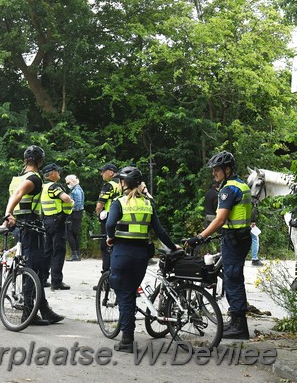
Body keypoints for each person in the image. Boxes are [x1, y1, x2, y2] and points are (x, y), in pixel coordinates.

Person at [106, 166, 177, 353]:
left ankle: (127, 340)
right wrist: (172, 246)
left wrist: (110, 237)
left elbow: (110, 224)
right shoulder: (148, 204)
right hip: (141, 257)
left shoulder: (119, 202)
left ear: (123, 183)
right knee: (130, 292)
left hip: (122, 254)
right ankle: (127, 335)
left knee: (125, 295)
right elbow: (160, 231)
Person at [187, 151, 252, 340]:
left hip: (233, 239)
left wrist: (200, 237)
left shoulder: (228, 190)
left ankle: (239, 327)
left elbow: (220, 219)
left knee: (233, 279)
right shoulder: (241, 185)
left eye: (217, 170)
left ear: (227, 169)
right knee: (233, 277)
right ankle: (235, 321)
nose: (214, 173)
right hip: (242, 237)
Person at [3, 145, 64, 326]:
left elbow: (16, 192)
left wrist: (11, 216)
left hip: (20, 224)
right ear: (40, 161)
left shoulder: (18, 177)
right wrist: (8, 213)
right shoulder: (34, 178)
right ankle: (29, 313)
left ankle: (43, 308)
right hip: (30, 225)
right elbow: (19, 194)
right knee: (32, 267)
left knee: (34, 267)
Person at [40, 163, 73, 290]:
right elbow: (65, 198)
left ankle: (43, 279)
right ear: (52, 173)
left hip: (47, 221)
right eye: (57, 171)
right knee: (59, 251)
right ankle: (56, 281)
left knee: (47, 251)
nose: (59, 173)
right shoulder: (54, 186)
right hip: (57, 221)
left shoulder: (43, 186)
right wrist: (70, 201)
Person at [96, 163, 120, 273]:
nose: (102, 174)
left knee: (106, 246)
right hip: (123, 218)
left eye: (103, 171)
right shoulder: (123, 183)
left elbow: (100, 205)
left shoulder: (109, 185)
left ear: (111, 172)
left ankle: (106, 277)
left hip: (109, 217)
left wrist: (99, 216)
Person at [65, 174, 85, 262]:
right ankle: (77, 254)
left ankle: (74, 254)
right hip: (78, 214)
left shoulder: (76, 191)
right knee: (74, 234)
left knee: (69, 233)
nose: (67, 185)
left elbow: (76, 204)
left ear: (73, 181)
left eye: (68, 183)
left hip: (75, 214)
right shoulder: (78, 189)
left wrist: (69, 211)